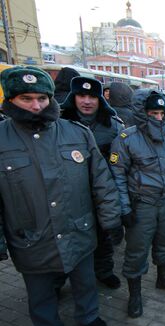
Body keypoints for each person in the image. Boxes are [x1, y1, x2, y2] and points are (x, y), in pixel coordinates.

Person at [0, 66, 120, 326]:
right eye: (26, 98)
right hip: (31, 235)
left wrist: (111, 219)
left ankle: (89, 316)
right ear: (11, 99)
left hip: (78, 227)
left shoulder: (76, 133)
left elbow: (101, 181)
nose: (36, 106)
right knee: (40, 292)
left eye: (41, 98)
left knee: (85, 280)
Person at [110, 89, 165, 318]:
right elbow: (117, 176)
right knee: (136, 251)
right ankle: (135, 295)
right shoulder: (127, 138)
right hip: (140, 205)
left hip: (164, 202)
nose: (159, 118)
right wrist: (124, 209)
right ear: (143, 113)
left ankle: (163, 278)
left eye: (163, 113)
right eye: (154, 113)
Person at [60, 76, 124, 289]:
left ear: (100, 99)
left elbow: (120, 162)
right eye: (81, 95)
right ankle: (58, 279)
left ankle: (104, 271)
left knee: (103, 236)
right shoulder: (59, 123)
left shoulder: (113, 125)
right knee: (66, 239)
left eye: (92, 97)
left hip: (102, 193)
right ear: (74, 97)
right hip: (69, 193)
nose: (86, 101)